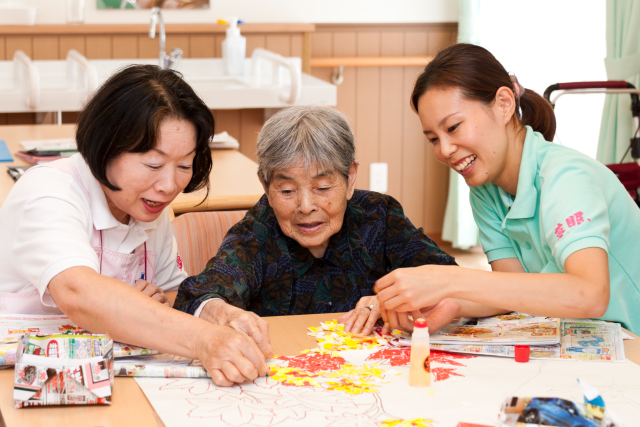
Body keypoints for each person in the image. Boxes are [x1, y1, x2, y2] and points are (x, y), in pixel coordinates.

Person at [0, 64, 267, 386]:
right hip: (25, 379)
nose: (169, 185)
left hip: (110, 373)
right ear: (105, 146)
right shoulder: (48, 191)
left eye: (184, 165)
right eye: (153, 164)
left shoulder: (144, 204)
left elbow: (172, 289)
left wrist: (213, 311)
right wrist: (203, 339)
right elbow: (77, 292)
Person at [375, 43, 640, 334]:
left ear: (504, 104)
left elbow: (590, 295)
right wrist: (449, 302)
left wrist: (448, 280)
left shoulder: (566, 176)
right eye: (433, 139)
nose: (446, 150)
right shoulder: (485, 191)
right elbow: (511, 288)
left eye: (452, 127)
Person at [174, 106, 456, 344]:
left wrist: (390, 301)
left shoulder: (379, 217)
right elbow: (199, 295)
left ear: (350, 177)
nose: (306, 206)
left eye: (322, 187)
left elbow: (447, 276)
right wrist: (224, 314)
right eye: (287, 191)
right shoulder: (255, 234)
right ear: (265, 185)